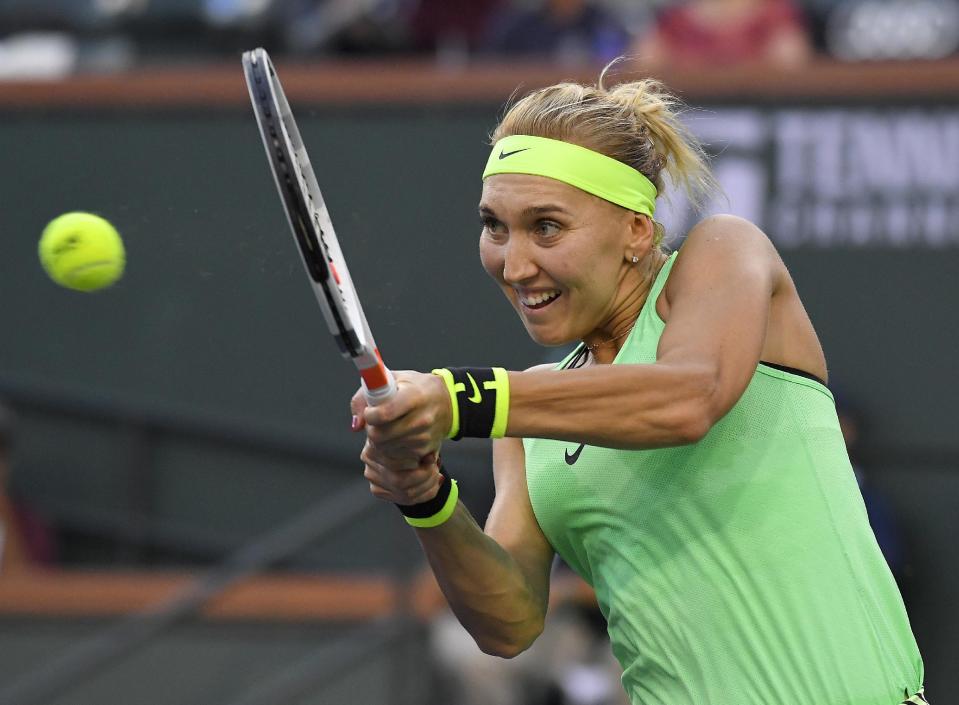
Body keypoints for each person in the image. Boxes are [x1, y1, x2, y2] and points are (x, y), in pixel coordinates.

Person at [351, 69, 927, 704]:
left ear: (637, 229)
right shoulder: (526, 423)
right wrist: (425, 496)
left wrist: (463, 398)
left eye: (546, 227)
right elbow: (508, 624)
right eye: (495, 226)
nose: (513, 265)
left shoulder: (725, 251)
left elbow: (689, 397)